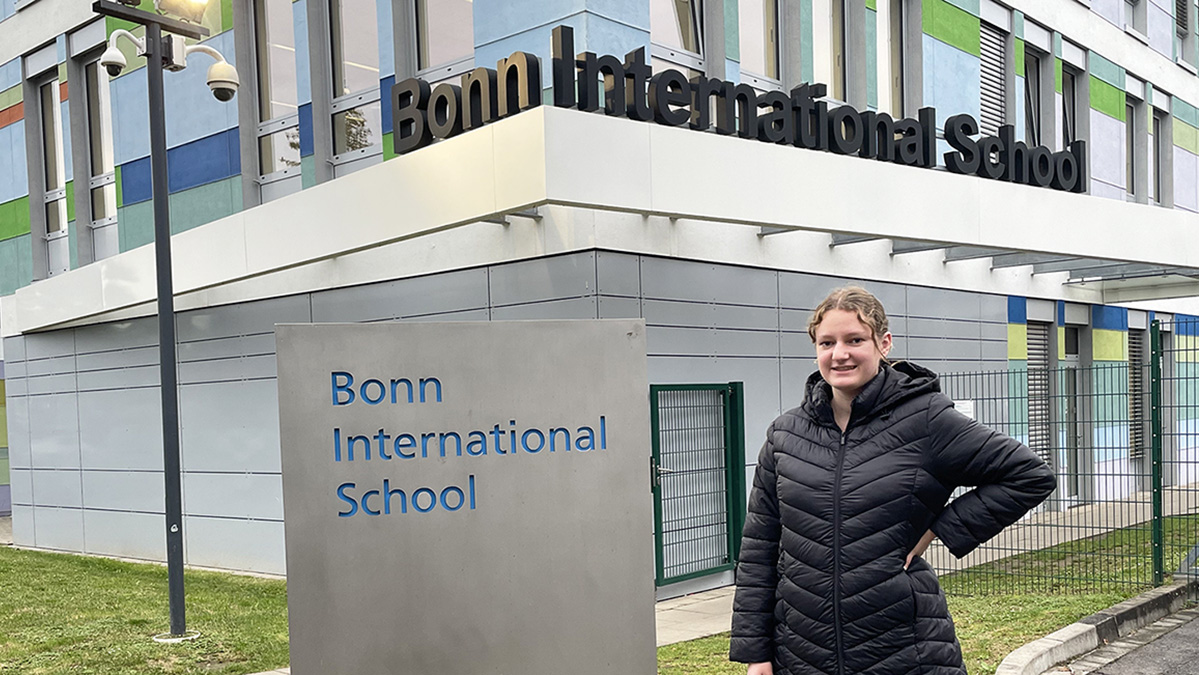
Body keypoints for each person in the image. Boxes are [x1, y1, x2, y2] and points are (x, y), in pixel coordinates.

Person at [729, 286, 1056, 675]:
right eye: (827, 342)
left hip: (905, 649)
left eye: (855, 340)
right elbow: (759, 547)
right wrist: (756, 653)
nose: (839, 354)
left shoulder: (927, 419)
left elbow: (1029, 475)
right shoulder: (786, 434)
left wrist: (938, 529)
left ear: (883, 344)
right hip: (801, 653)